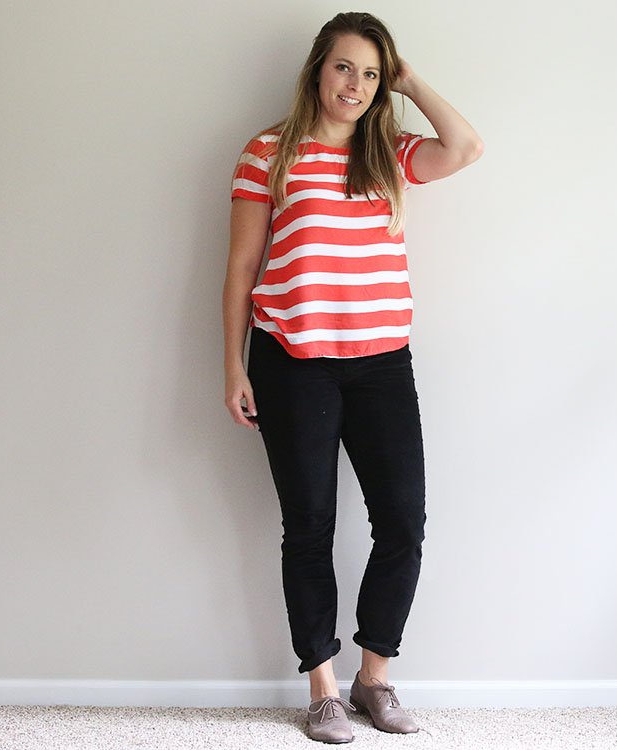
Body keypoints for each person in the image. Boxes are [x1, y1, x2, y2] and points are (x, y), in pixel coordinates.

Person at [222, 11, 483, 743]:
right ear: (317, 69)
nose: (357, 85)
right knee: (308, 528)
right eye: (346, 67)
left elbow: (466, 147)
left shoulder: (389, 154)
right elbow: (242, 267)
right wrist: (232, 364)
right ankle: (323, 690)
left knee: (402, 521)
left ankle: (375, 678)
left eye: (371, 74)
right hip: (292, 364)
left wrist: (407, 79)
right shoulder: (267, 152)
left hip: (381, 367)